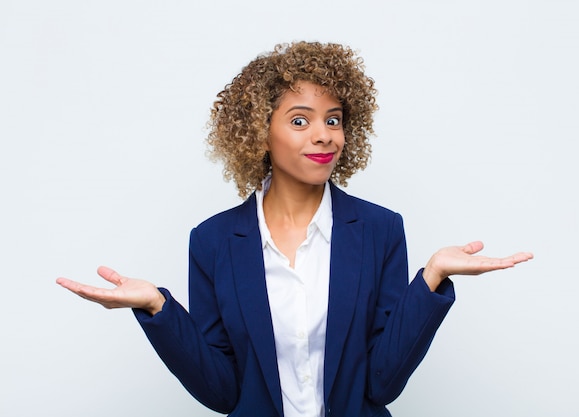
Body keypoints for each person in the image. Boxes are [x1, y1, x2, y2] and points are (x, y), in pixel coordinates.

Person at [56, 41, 533, 417]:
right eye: (300, 120)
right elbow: (223, 392)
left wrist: (431, 279)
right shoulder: (212, 241)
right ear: (259, 130)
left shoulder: (380, 230)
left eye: (334, 120)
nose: (324, 134)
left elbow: (381, 384)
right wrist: (158, 308)